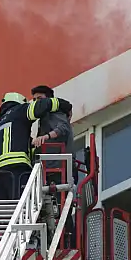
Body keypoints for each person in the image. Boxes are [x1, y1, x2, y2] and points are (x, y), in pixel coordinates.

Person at [0, 92, 73, 201]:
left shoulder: (2, 123)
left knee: (4, 211)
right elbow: (42, 106)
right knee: (22, 207)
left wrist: (34, 144)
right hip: (16, 168)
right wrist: (64, 105)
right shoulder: (19, 110)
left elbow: (19, 141)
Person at [29, 85, 77, 248]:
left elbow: (63, 129)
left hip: (58, 168)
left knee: (61, 208)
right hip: (52, 168)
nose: (36, 103)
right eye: (34, 100)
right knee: (52, 207)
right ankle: (52, 241)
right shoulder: (44, 118)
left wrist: (45, 137)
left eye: (39, 99)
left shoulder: (53, 113)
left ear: (49, 100)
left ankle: (65, 242)